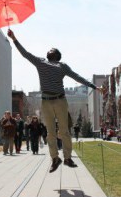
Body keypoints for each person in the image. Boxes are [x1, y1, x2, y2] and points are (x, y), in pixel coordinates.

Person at [7, 29, 103, 173]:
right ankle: (55, 159)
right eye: (49, 49)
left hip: (60, 100)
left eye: (52, 49)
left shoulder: (62, 66)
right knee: (51, 133)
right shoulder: (40, 61)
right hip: (46, 101)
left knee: (64, 131)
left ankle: (68, 158)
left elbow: (77, 77)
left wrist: (94, 86)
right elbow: (25, 54)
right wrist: (14, 39)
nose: (49, 50)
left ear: (57, 55)